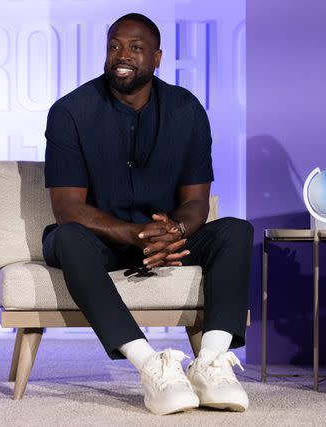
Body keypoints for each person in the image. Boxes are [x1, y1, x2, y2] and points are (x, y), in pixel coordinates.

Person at [42, 13, 253, 415]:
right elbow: (67, 207)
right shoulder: (70, 112)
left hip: (163, 239)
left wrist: (175, 230)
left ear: (157, 58)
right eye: (114, 47)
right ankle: (151, 367)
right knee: (65, 235)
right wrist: (136, 235)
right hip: (99, 240)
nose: (122, 56)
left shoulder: (186, 110)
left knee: (235, 231)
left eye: (135, 48)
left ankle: (210, 364)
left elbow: (195, 201)